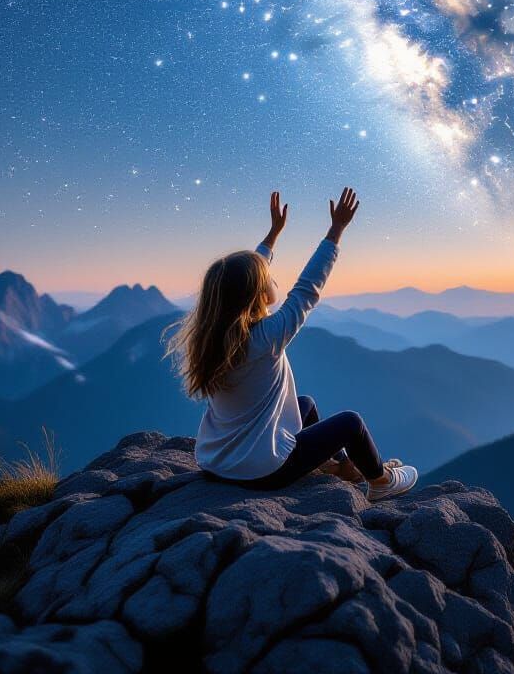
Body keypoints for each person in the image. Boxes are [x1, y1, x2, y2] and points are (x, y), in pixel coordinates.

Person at [165, 187, 418, 501]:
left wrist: (272, 236)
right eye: (266, 277)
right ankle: (380, 481)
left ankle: (338, 466)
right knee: (351, 423)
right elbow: (306, 289)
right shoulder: (267, 336)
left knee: (305, 404)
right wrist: (335, 231)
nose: (272, 278)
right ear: (256, 293)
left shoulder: (214, 337)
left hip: (217, 463)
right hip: (262, 473)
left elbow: (239, 279)